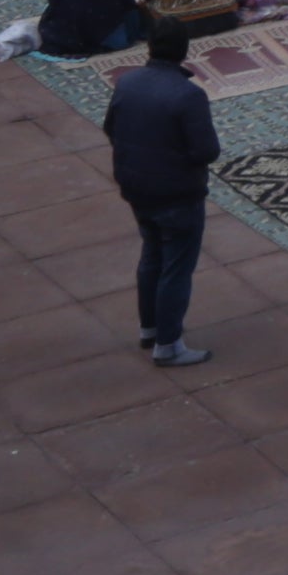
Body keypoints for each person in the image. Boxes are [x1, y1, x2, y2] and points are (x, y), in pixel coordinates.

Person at [106, 22, 217, 368]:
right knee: (176, 267)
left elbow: (111, 127)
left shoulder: (127, 82)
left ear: (150, 46)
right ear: (184, 50)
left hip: (137, 187)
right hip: (177, 193)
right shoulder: (188, 95)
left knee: (152, 256)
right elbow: (207, 150)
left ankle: (150, 329)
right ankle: (168, 345)